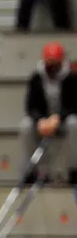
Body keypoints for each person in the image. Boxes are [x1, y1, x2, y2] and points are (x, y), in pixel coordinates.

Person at [21, 41, 77, 186]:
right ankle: (31, 171)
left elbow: (74, 105)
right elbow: (30, 106)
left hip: (63, 119)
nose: (52, 67)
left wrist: (58, 118)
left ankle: (74, 170)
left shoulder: (72, 78)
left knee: (74, 123)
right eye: (49, 63)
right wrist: (40, 120)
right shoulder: (36, 78)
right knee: (26, 125)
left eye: (55, 63)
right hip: (43, 121)